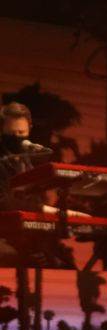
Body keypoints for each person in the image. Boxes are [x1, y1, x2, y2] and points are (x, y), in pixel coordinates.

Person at [0, 102, 82, 267]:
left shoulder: (30, 160)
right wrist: (46, 210)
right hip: (4, 234)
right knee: (17, 256)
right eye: (11, 133)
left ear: (29, 129)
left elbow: (35, 198)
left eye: (21, 133)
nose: (17, 138)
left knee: (64, 263)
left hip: (26, 234)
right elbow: (3, 201)